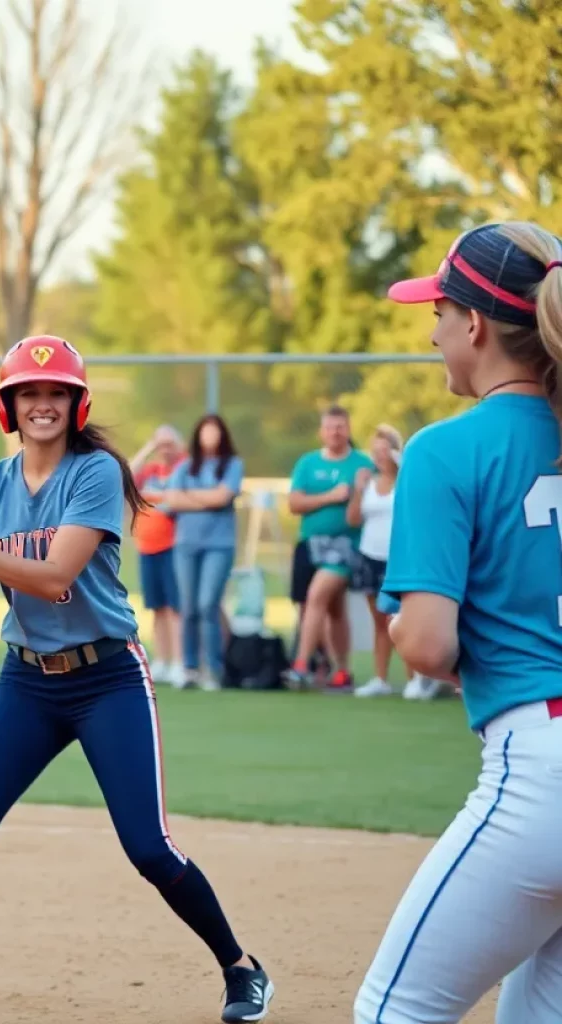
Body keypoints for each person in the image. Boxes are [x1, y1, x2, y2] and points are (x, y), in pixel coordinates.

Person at [0, 335, 275, 1024]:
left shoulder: (96, 474)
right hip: (27, 684)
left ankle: (241, 967)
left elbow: (54, 579)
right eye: (30, 393)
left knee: (148, 847)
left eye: (56, 393)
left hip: (107, 677)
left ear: (76, 405)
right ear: (9, 407)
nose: (43, 404)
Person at [354, 221, 562, 1024]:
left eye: (438, 313)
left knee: (392, 1011)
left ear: (474, 325)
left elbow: (430, 645)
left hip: (538, 770)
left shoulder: (445, 451)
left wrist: (404, 625)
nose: (434, 331)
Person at [283, 405, 374, 692]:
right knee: (333, 609)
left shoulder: (362, 465)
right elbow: (295, 503)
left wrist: (357, 492)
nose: (335, 432)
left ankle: (301, 665)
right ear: (322, 431)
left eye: (341, 426)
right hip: (310, 544)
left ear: (348, 429)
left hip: (346, 545)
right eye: (330, 427)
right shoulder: (308, 463)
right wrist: (331, 496)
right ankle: (342, 671)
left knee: (317, 595)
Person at [151, 414, 244, 691]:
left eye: (214, 431)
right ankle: (189, 667)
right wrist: (208, 498)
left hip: (219, 545)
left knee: (207, 605)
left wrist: (191, 498)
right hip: (186, 546)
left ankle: (213, 669)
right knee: (188, 606)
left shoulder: (232, 465)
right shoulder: (186, 466)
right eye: (205, 432)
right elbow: (172, 498)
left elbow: (223, 497)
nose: (209, 437)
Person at [346, 425, 439, 699]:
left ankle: (416, 679)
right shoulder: (369, 483)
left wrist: (402, 467)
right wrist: (358, 489)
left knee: (401, 618)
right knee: (379, 621)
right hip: (369, 555)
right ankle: (381, 678)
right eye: (375, 451)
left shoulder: (407, 480)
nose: (379, 456)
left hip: (398, 558)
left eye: (384, 450)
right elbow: (352, 519)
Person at [129, 424, 186, 686]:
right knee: (157, 607)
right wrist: (150, 446)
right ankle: (162, 659)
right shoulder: (150, 470)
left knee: (175, 608)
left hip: (172, 545)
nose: (164, 449)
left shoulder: (184, 467)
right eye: (159, 444)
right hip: (147, 545)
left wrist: (173, 446)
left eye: (168, 444)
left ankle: (178, 661)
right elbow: (127, 474)